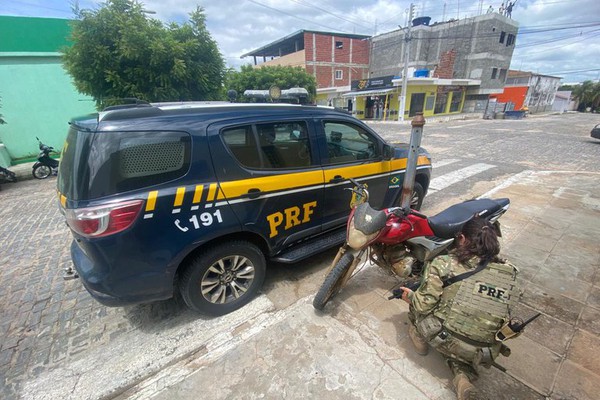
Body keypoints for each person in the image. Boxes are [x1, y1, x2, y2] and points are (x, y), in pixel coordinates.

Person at [399, 216, 519, 400]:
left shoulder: (443, 263)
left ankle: (419, 337)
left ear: (462, 239)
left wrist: (410, 296)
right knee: (465, 345)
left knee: (416, 305)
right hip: (484, 350)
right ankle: (463, 378)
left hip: (443, 338)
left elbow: (424, 305)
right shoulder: (510, 273)